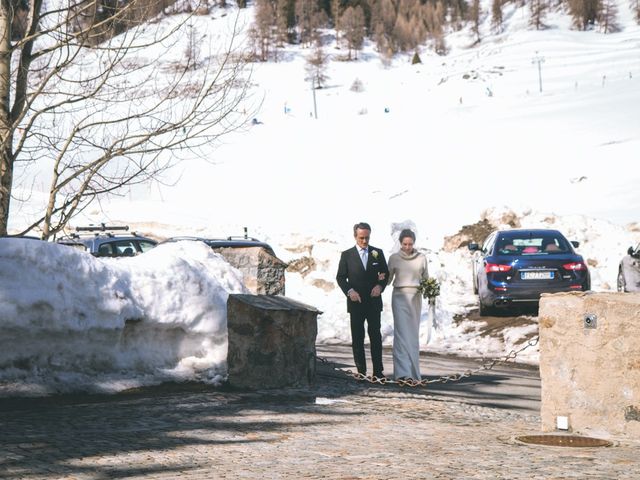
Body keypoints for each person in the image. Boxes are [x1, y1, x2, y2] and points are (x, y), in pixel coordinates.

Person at [336, 222, 389, 379]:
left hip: (373, 302)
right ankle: (361, 371)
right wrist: (350, 291)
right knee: (357, 337)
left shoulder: (377, 253)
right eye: (361, 238)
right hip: (356, 303)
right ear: (355, 236)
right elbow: (340, 277)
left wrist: (380, 286)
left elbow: (385, 273)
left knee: (375, 337)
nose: (365, 241)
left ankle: (378, 372)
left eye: (367, 238)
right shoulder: (347, 255)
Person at [387, 228, 429, 381]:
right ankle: (402, 373)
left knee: (412, 335)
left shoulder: (422, 258)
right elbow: (387, 280)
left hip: (415, 297)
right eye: (404, 244)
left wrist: (431, 291)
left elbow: (426, 279)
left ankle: (412, 372)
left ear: (414, 243)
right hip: (399, 297)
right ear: (400, 243)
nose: (407, 247)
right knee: (401, 335)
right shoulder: (394, 258)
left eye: (410, 244)